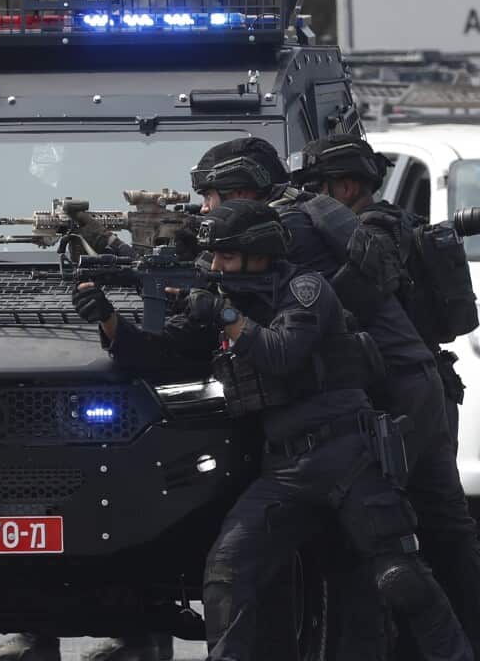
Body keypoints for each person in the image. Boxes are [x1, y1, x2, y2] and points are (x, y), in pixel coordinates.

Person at [75, 199, 472, 661]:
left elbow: (283, 353)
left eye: (225, 256)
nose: (216, 266)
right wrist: (108, 319)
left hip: (349, 454)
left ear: (257, 252)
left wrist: (223, 314)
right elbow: (162, 354)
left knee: (400, 577)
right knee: (227, 571)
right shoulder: (230, 299)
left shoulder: (306, 289)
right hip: (285, 468)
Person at [295, 134, 480, 657]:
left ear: (347, 186)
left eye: (318, 189)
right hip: (428, 389)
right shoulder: (401, 226)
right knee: (446, 527)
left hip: (400, 399)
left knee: (382, 532)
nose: (310, 200)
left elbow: (340, 305)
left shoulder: (373, 237)